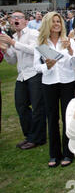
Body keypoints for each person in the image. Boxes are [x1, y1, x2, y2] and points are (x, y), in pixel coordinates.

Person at [34, 12, 75, 167]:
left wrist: (71, 51)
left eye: (58, 21)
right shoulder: (41, 43)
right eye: (53, 21)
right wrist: (46, 66)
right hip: (49, 82)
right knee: (52, 118)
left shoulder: (68, 41)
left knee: (68, 117)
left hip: (67, 81)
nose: (56, 24)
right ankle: (54, 154)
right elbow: (36, 67)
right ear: (47, 24)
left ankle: (68, 152)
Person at [0, 10, 47, 150]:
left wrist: (13, 43)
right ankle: (30, 136)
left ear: (26, 21)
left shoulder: (33, 34)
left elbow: (34, 50)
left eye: (18, 17)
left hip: (34, 74)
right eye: (13, 18)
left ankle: (38, 138)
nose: (15, 20)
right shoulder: (14, 36)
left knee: (38, 108)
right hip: (21, 76)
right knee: (21, 106)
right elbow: (12, 60)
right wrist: (5, 50)